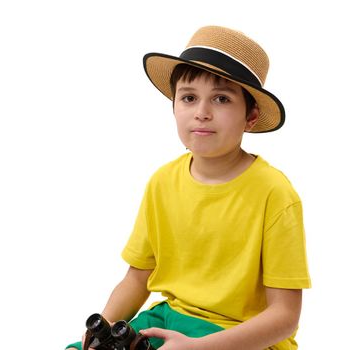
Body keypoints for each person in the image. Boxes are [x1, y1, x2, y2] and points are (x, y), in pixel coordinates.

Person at [66, 25, 311, 350]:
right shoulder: (162, 183)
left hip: (240, 336)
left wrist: (198, 348)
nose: (202, 113)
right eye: (189, 98)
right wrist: (107, 323)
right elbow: (137, 279)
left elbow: (285, 317)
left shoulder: (274, 193)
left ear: (250, 116)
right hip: (170, 320)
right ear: (174, 106)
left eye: (221, 99)